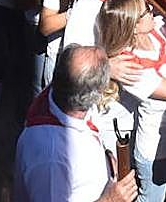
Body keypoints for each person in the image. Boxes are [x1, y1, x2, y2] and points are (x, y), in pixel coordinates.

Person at [13, 44, 138, 202]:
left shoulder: (63, 93)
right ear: (97, 93)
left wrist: (106, 160)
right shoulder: (51, 158)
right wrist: (110, 199)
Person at [97, 0, 166, 202]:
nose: (152, 11)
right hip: (157, 149)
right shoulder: (129, 67)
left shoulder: (159, 28)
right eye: (146, 12)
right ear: (133, 26)